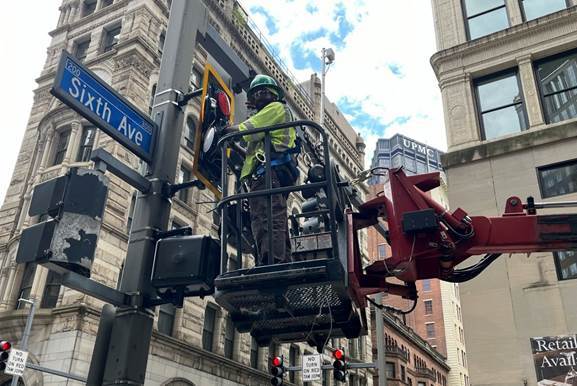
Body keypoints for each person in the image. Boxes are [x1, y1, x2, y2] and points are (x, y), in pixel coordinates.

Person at [223, 74, 299, 265]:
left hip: (267, 175)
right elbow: (252, 154)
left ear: (274, 95)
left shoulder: (276, 108)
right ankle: (280, 263)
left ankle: (270, 264)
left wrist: (225, 131)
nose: (260, 95)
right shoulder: (270, 122)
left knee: (267, 220)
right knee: (272, 220)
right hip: (267, 174)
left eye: (264, 91)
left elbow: (248, 128)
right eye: (256, 92)